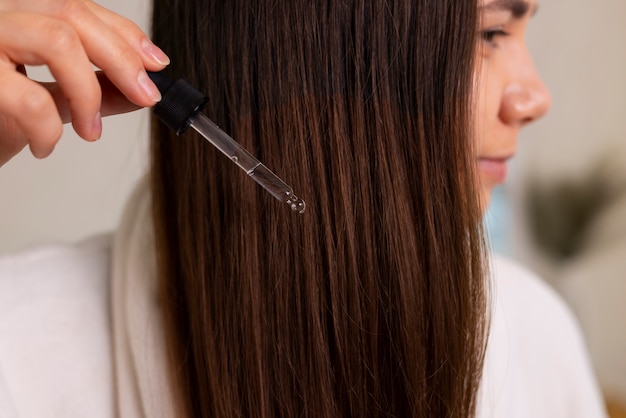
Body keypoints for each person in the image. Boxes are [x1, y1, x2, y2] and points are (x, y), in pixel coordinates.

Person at [0, 0, 608, 417]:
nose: (535, 98)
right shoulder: (19, 352)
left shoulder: (534, 330)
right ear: (327, 57)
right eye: (490, 33)